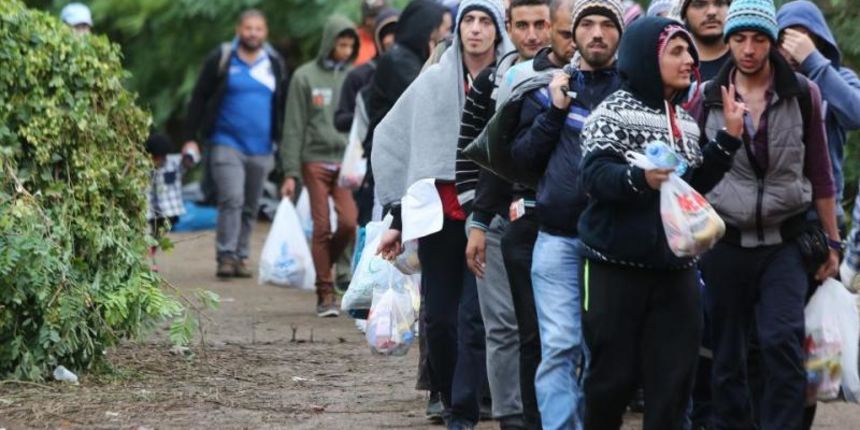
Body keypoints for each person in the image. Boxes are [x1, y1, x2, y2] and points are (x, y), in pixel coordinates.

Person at [578, 16, 745, 429]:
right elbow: (595, 177)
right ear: (646, 58)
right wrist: (637, 178)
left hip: (677, 272)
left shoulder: (685, 122)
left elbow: (690, 190)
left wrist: (727, 141)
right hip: (616, 269)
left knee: (672, 386)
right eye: (677, 51)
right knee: (610, 385)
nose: (690, 59)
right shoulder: (611, 113)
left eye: (689, 50)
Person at [688, 1, 840, 429]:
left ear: (772, 42)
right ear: (729, 40)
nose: (749, 49)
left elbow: (821, 174)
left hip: (785, 241)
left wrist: (833, 241)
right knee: (727, 354)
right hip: (726, 241)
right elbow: (693, 172)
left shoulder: (803, 93)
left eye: (758, 39)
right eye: (739, 38)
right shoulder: (706, 97)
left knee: (782, 342)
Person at [373, 1, 512, 428]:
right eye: (468, 20)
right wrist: (396, 218)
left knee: (474, 318)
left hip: (490, 216)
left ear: (497, 30)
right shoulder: (431, 82)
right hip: (438, 216)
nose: (475, 30)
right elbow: (395, 138)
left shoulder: (512, 80)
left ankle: (463, 412)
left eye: (484, 21)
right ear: (457, 28)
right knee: (439, 317)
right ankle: (450, 394)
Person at [508, 1, 624, 428]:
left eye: (606, 24)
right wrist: (555, 110)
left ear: (620, 33)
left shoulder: (634, 92)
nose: (596, 33)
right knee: (558, 346)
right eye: (587, 24)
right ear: (572, 35)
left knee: (604, 350)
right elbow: (521, 161)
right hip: (556, 240)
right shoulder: (546, 89)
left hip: (614, 244)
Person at [461, 1, 552, 427]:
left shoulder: (569, 81)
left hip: (552, 217)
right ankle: (511, 415)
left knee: (547, 329)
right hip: (498, 217)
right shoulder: (494, 81)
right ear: (509, 30)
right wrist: (476, 216)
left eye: (540, 24)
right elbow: (478, 153)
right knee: (503, 326)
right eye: (523, 25)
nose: (532, 34)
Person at [182, 10, 288, 279]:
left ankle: (241, 256)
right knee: (232, 198)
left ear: (265, 33)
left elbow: (283, 105)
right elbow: (199, 97)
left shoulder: (273, 63)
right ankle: (226, 256)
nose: (253, 33)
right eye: (248, 28)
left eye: (259, 29)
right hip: (225, 143)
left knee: (251, 204)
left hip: (262, 148)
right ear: (238, 29)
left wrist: (282, 144)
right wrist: (190, 137)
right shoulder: (223, 58)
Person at [280, 16, 359, 318]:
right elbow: (294, 125)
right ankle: (325, 294)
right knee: (322, 225)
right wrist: (289, 170)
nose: (346, 50)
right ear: (329, 43)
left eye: (350, 45)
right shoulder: (304, 77)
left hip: (344, 162)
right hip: (313, 160)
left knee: (350, 222)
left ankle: (324, 263)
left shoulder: (353, 76)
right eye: (341, 44)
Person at [334, 8, 400, 135]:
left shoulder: (415, 72)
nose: (390, 40)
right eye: (385, 33)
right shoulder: (359, 75)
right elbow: (340, 120)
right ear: (377, 38)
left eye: (395, 33)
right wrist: (369, 113)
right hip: (365, 147)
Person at [145, 132, 189, 272]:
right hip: (151, 210)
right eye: (156, 158)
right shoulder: (144, 167)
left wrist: (189, 150)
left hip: (169, 209)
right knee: (154, 234)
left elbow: (189, 161)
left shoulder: (173, 163)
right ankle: (150, 261)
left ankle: (149, 257)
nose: (160, 161)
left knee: (158, 235)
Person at [675, 0, 732, 81]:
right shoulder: (672, 65)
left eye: (720, 3)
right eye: (699, 5)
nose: (712, 12)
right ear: (684, 13)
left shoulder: (747, 57)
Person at [355, 0, 389, 65]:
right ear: (366, 19)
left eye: (385, 15)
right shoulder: (352, 39)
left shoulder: (390, 39)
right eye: (376, 16)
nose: (382, 19)